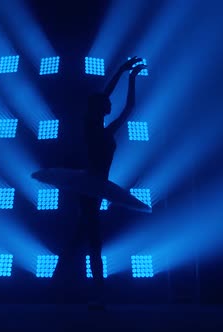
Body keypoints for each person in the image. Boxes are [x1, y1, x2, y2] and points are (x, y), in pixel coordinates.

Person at [76, 57, 147, 307]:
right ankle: (96, 291)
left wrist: (129, 77)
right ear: (99, 109)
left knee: (90, 239)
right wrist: (122, 73)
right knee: (92, 240)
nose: (109, 104)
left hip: (96, 187)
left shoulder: (104, 130)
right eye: (105, 104)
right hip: (90, 188)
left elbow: (127, 108)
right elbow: (104, 97)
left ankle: (94, 290)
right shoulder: (92, 127)